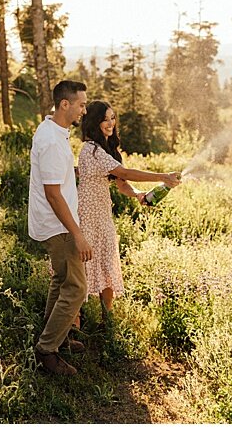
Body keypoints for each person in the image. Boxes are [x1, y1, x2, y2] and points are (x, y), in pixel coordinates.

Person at [76, 100, 180, 322]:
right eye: (105, 119)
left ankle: (107, 321)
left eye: (112, 118)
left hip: (102, 215)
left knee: (106, 263)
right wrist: (162, 176)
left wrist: (139, 195)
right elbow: (126, 172)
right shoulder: (92, 150)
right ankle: (74, 324)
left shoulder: (106, 149)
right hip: (86, 215)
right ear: (94, 122)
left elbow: (121, 182)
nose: (110, 123)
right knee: (82, 269)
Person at [32, 80, 93, 376]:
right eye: (81, 104)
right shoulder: (53, 141)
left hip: (56, 221)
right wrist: (78, 233)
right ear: (65, 104)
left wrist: (75, 171)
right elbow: (53, 194)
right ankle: (47, 350)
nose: (84, 109)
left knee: (61, 279)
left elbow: (55, 176)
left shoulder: (53, 131)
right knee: (77, 288)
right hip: (60, 224)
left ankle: (57, 333)